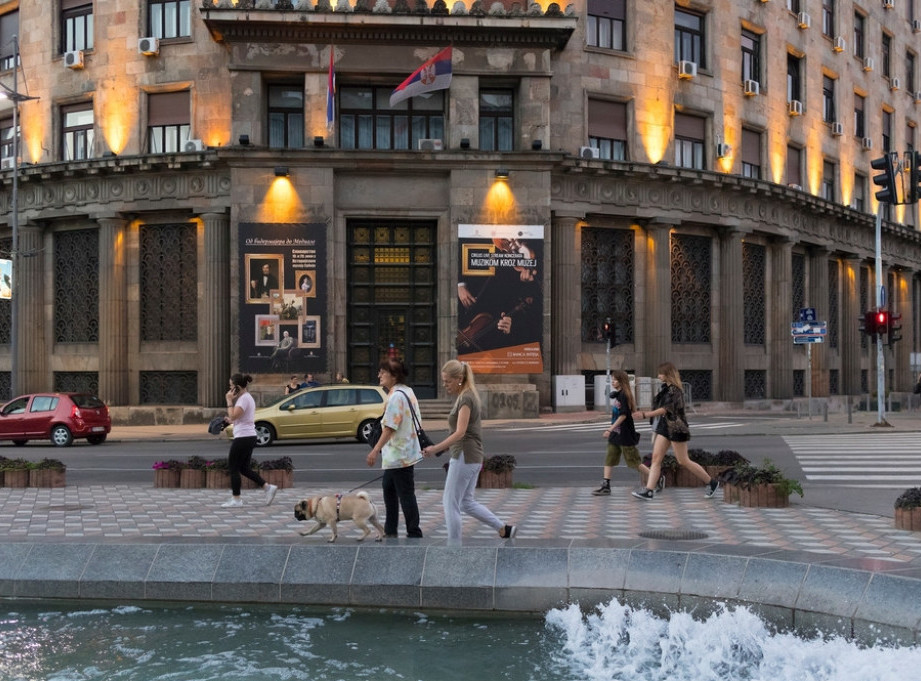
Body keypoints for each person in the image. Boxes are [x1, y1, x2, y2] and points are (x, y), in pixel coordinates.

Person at [423, 359, 516, 540]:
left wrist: (435, 448)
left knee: (451, 503)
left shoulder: (466, 398)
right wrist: (439, 449)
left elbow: (460, 433)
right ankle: (504, 529)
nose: (444, 385)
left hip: (464, 455)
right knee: (466, 502)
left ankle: (454, 548)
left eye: (447, 381)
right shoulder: (467, 395)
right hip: (472, 456)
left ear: (459, 378)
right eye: (443, 381)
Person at [630, 362, 719, 500]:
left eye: (661, 373)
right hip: (665, 427)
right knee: (656, 459)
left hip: (677, 427)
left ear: (668, 374)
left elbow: (666, 409)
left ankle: (711, 482)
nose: (658, 375)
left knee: (683, 461)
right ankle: (649, 490)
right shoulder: (666, 389)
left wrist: (645, 414)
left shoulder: (675, 390)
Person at [365, 357, 424, 538]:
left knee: (405, 494)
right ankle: (390, 530)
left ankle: (414, 531)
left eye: (382, 372)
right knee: (389, 488)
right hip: (400, 453)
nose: (379, 375)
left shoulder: (396, 397)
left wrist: (375, 451)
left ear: (394, 375)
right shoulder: (407, 391)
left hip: (400, 455)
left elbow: (390, 426)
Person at [591, 370, 663, 496]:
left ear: (621, 381)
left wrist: (610, 429)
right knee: (610, 458)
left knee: (634, 461)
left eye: (615, 380)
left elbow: (623, 415)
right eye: (612, 379)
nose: (612, 382)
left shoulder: (624, 395)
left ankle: (657, 477)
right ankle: (606, 485)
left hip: (624, 434)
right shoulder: (619, 394)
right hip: (616, 434)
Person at [220, 373, 278, 508]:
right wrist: (230, 420)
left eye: (231, 387)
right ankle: (267, 487)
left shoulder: (244, 399)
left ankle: (237, 499)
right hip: (247, 436)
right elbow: (238, 418)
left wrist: (229, 401)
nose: (229, 390)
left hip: (243, 437)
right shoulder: (245, 398)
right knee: (244, 468)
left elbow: (234, 415)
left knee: (233, 467)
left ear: (238, 387)